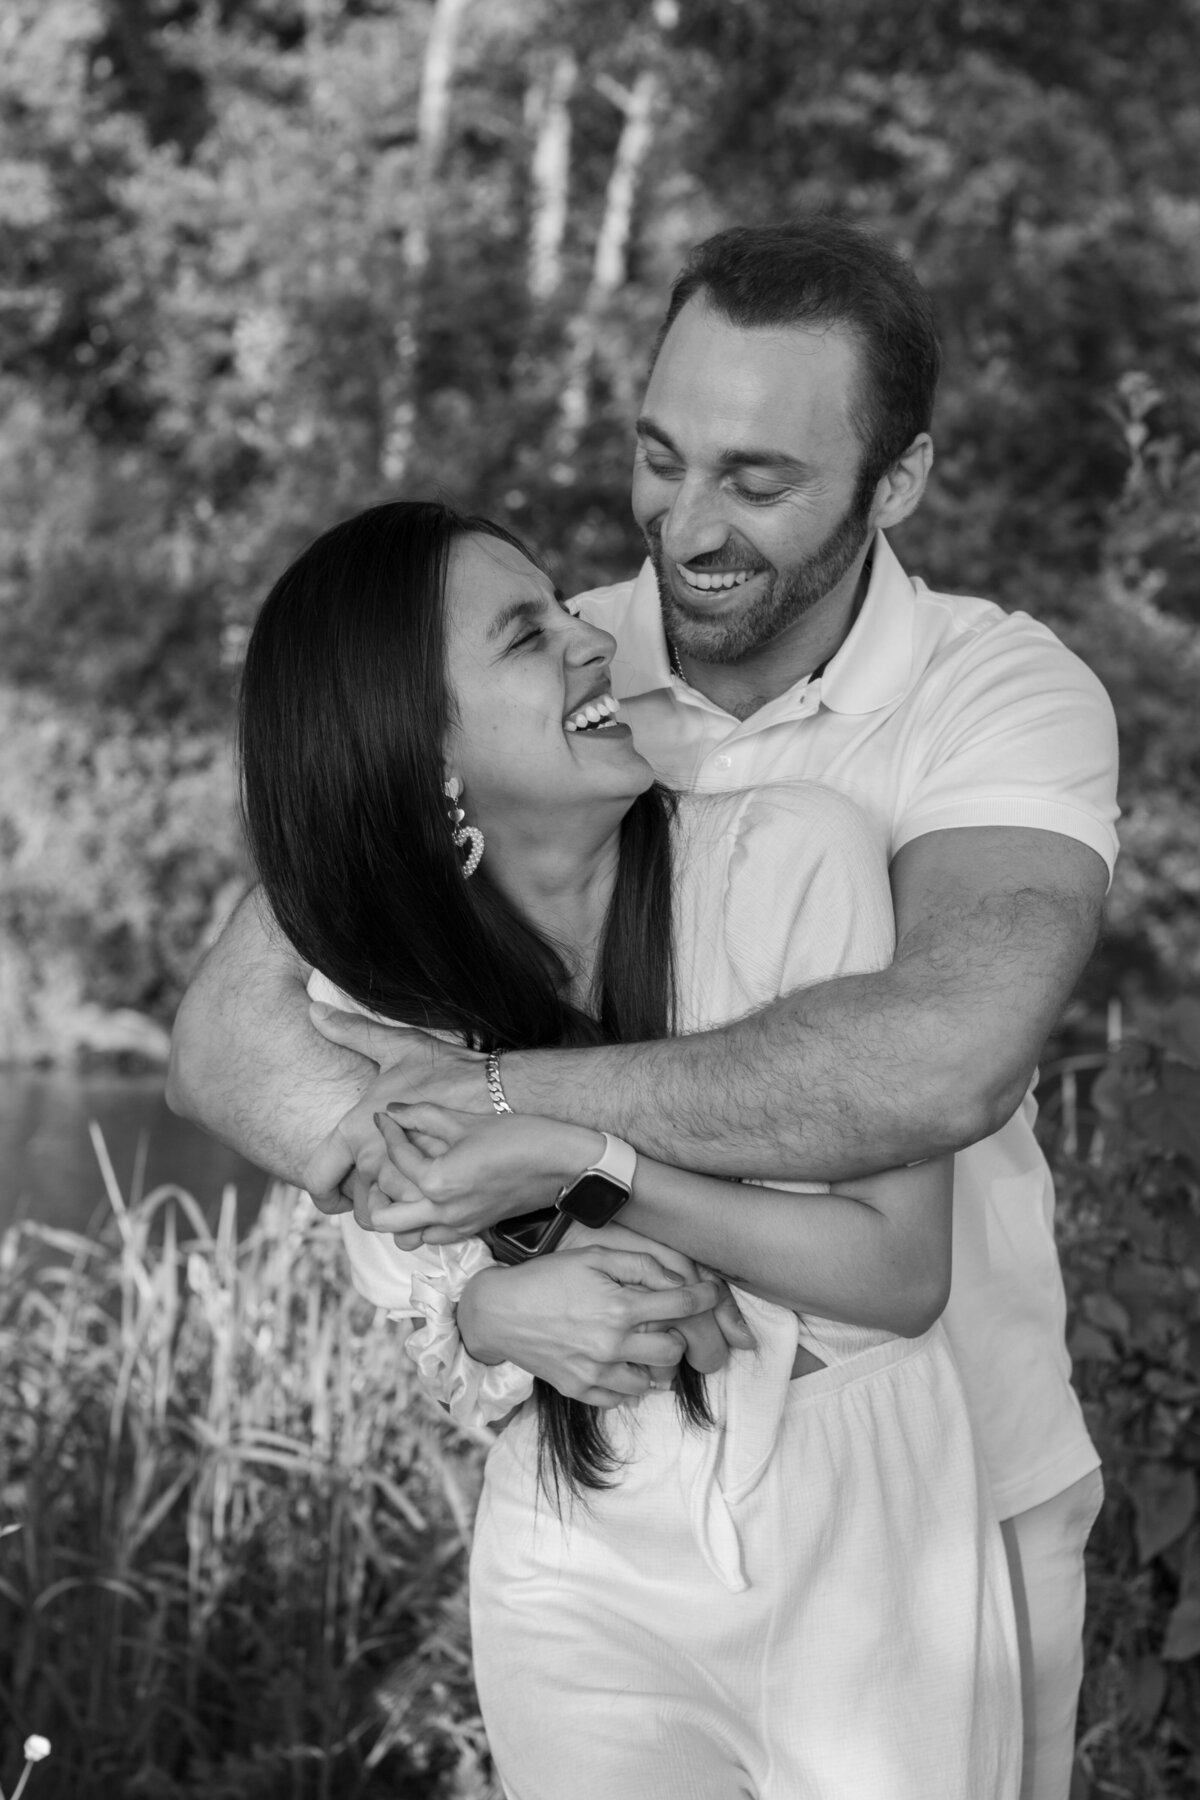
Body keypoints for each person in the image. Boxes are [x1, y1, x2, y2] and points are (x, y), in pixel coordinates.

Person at [169, 218, 1119, 1800]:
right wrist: (479, 1286)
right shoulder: (561, 657)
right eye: (660, 457)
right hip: (611, 1497)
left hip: (955, 1466)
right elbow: (230, 1035)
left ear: (896, 484)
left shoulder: (998, 694)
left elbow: (939, 1058)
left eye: (757, 481)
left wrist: (518, 1125)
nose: (686, 529)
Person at [233, 495, 1019, 1798]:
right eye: (527, 637)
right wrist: (491, 1310)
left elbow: (898, 1271)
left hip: (861, 1539)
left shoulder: (793, 860)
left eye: (566, 611)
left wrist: (594, 1166)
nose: (595, 641)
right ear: (426, 751)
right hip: (569, 1557)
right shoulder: (379, 1002)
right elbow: (410, 1288)